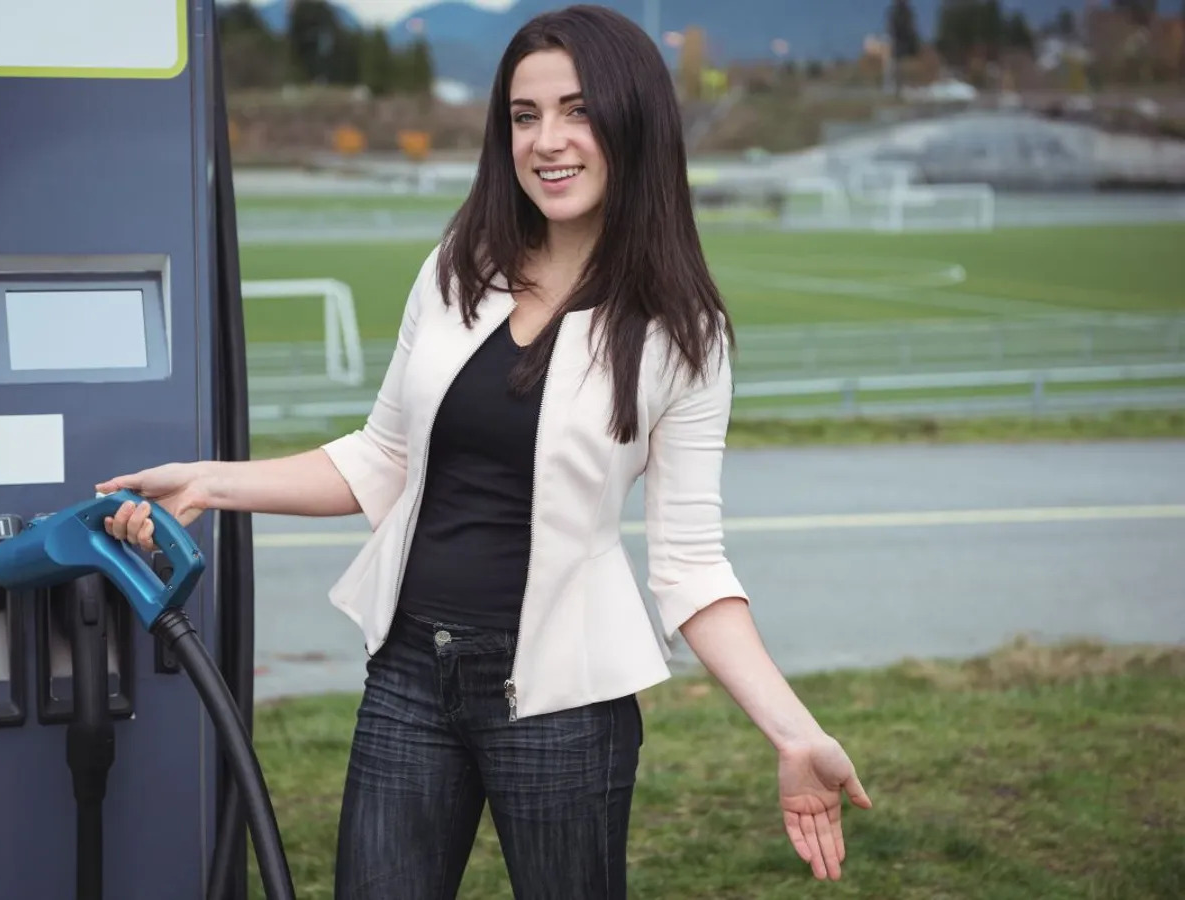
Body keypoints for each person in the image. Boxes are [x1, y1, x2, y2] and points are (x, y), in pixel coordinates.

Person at [98, 5, 871, 897]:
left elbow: (690, 567)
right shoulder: (460, 266)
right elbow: (382, 459)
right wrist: (211, 480)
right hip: (408, 681)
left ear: (634, 122)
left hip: (563, 704)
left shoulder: (681, 335)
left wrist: (792, 731)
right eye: (524, 114)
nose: (549, 140)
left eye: (578, 111)